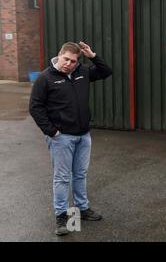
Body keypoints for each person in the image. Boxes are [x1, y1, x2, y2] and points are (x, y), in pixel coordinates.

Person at [29, 41, 112, 236]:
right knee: (62, 178)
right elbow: (35, 107)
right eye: (66, 59)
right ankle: (61, 217)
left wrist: (92, 56)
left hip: (83, 135)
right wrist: (51, 131)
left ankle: (82, 209)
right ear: (59, 55)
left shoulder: (82, 72)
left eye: (73, 61)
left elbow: (106, 71)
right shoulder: (45, 78)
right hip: (61, 138)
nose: (69, 64)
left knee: (80, 174)